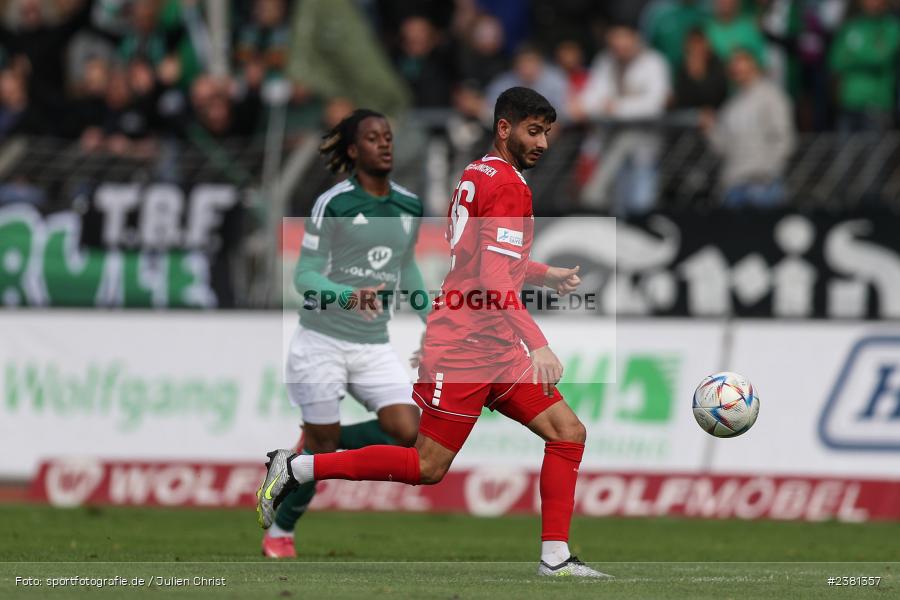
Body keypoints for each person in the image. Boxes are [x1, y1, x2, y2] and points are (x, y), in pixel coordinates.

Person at [257, 87, 608, 578]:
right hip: (467, 345)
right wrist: (539, 344)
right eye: (533, 131)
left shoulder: (477, 173)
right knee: (427, 467)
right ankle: (297, 467)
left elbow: (484, 261)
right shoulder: (509, 186)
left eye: (546, 132)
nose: (543, 143)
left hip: (492, 343)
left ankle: (555, 558)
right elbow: (491, 278)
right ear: (504, 128)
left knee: (568, 432)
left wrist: (542, 273)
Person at [261, 109, 427, 558]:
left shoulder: (409, 205)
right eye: (373, 138)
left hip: (372, 344)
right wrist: (349, 296)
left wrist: (433, 320)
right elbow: (305, 276)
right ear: (353, 150)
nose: (385, 143)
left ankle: (304, 449)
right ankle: (281, 531)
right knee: (324, 448)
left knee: (409, 430)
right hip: (321, 342)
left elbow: (407, 268)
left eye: (388, 136)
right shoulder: (333, 203)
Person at [702, 48, 795, 208]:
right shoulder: (730, 106)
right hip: (734, 185)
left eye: (740, 61)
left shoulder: (772, 96)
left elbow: (784, 139)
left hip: (763, 185)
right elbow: (723, 148)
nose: (735, 67)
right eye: (732, 63)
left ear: (754, 64)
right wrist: (710, 129)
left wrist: (768, 171)